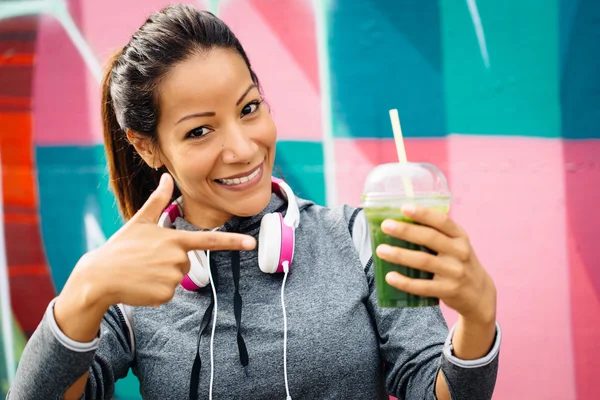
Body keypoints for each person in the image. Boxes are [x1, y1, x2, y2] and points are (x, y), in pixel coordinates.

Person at [9, 4, 500, 400]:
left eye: (249, 109)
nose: (243, 148)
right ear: (147, 147)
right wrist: (86, 289)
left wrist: (477, 322)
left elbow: (433, 390)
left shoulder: (358, 240)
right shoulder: (131, 279)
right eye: (200, 131)